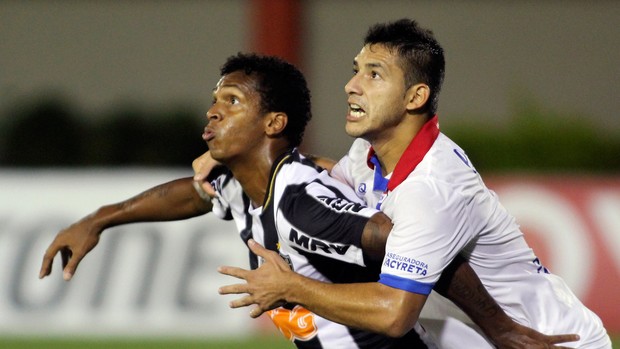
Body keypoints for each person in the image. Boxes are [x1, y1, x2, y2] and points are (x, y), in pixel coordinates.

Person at [38, 53, 576, 349]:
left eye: (231, 101)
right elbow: (193, 195)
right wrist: (101, 219)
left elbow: (409, 246)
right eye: (212, 101)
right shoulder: (247, 186)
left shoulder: (301, 203)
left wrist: (500, 328)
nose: (213, 113)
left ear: (273, 124)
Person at [215, 19, 612, 348]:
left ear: (415, 96)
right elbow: (317, 175)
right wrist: (228, 155)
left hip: (547, 340)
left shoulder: (432, 190)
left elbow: (393, 315)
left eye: (374, 75)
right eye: (356, 70)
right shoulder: (365, 155)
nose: (352, 85)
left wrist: (291, 287)